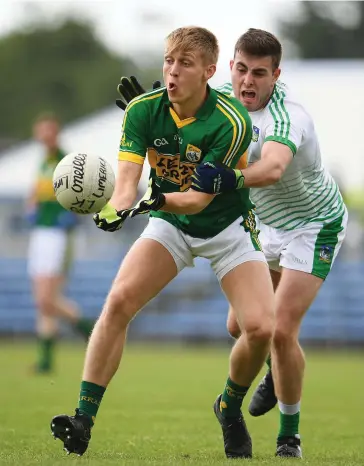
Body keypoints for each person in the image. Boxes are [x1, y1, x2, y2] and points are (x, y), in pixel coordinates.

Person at [50, 26, 275, 459]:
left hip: (227, 228)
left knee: (262, 328)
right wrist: (115, 208)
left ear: (209, 71)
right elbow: (126, 182)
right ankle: (82, 418)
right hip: (169, 225)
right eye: (168, 61)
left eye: (184, 64)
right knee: (117, 303)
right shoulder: (141, 111)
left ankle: (228, 406)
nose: (172, 72)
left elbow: (198, 199)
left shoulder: (231, 122)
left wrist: (153, 199)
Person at [191, 28, 348, 458]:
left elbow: (275, 167)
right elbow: (181, 113)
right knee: (239, 328)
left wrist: (231, 178)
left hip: (314, 225)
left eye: (259, 73)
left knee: (280, 331)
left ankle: (288, 438)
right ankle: (276, 375)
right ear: (231, 68)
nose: (248, 82)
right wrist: (147, 110)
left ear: (276, 74)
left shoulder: (288, 115)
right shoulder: (220, 99)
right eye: (241, 69)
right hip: (264, 226)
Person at [26, 113, 94, 373]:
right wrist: (31, 206)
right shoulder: (43, 161)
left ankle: (90, 330)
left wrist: (72, 214)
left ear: (55, 133)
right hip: (40, 233)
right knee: (42, 301)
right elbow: (34, 193)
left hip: (57, 235)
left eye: (47, 131)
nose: (42, 136)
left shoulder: (66, 161)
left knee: (48, 299)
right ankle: (45, 362)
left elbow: (84, 193)